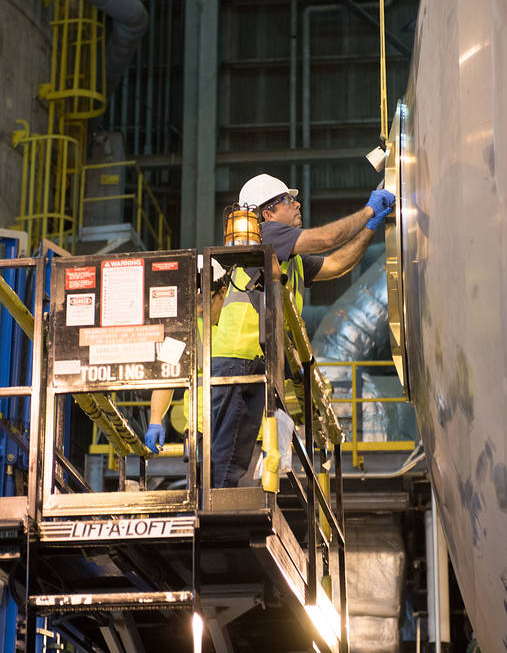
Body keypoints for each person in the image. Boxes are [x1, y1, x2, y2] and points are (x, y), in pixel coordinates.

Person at [209, 173, 394, 488]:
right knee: (226, 462)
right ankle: (213, 524)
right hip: (237, 360)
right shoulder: (266, 234)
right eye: (287, 200)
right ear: (267, 214)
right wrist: (368, 212)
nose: (296, 204)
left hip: (257, 363)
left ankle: (221, 515)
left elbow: (336, 265)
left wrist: (370, 229)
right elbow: (324, 240)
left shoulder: (288, 256)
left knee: (233, 460)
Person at [145, 257, 229, 454]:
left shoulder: (238, 321)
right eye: (193, 302)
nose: (198, 309)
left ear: (223, 292)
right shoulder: (185, 328)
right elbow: (167, 375)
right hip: (198, 430)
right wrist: (155, 420)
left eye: (202, 301)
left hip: (240, 426)